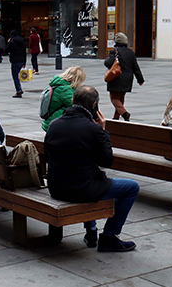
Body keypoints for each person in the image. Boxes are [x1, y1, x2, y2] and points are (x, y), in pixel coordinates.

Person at [46, 86, 139, 252]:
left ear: (74, 101)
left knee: (86, 178)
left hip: (56, 188)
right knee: (131, 187)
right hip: (82, 190)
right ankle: (109, 236)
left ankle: (92, 231)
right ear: (94, 105)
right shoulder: (93, 130)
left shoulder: (54, 125)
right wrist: (103, 131)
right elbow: (106, 161)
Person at [104, 33, 144, 121]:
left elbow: (108, 63)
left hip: (116, 78)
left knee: (114, 98)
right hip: (128, 79)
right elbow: (136, 67)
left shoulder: (114, 51)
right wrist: (140, 79)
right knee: (121, 97)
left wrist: (107, 59)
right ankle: (116, 117)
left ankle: (124, 113)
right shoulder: (131, 52)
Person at [42, 66, 87, 131]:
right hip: (57, 123)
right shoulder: (65, 89)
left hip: (51, 121)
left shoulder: (59, 84)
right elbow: (74, 105)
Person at [7, 29, 26, 98]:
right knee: (17, 76)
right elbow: (24, 52)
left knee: (15, 77)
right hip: (21, 60)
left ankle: (18, 90)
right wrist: (24, 62)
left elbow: (7, 49)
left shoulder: (12, 42)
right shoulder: (22, 41)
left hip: (15, 61)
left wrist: (8, 43)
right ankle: (19, 89)